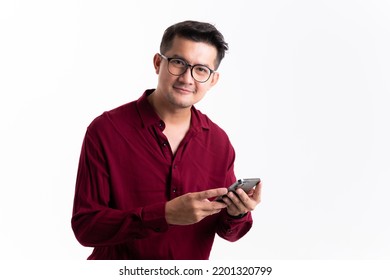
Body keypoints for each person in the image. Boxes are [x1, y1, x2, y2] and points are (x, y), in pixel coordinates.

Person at [71, 20, 262, 260]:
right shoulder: (106, 130)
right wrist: (164, 215)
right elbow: (86, 227)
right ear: (158, 63)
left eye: (201, 69)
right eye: (178, 63)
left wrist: (237, 213)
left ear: (213, 80)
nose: (187, 78)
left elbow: (229, 233)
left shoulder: (219, 142)